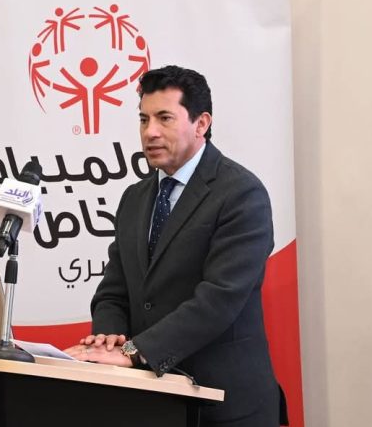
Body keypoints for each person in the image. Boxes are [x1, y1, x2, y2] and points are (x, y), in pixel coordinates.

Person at [65, 65, 287, 426]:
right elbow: (113, 292)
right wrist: (107, 340)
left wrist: (134, 352)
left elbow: (218, 300)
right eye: (143, 119)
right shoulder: (134, 198)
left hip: (225, 407)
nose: (150, 132)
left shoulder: (241, 194)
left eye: (164, 118)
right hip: (151, 403)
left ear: (201, 124)